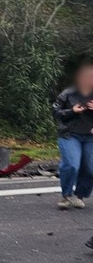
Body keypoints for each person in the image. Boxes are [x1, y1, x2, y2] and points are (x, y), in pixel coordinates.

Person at [52, 61, 93, 209]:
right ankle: (66, 196)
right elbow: (55, 112)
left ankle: (80, 196)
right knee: (72, 165)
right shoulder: (68, 93)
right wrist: (72, 111)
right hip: (70, 135)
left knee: (90, 168)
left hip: (90, 137)